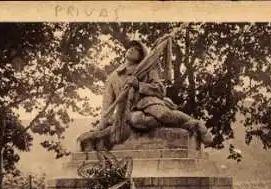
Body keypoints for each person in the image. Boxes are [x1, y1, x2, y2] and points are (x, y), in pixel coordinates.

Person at [78, 40, 213, 150]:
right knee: (137, 120)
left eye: (136, 49)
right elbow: (107, 105)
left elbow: (160, 90)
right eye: (130, 47)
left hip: (149, 102)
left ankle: (196, 124)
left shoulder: (148, 69)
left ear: (141, 55)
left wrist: (139, 85)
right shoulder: (113, 77)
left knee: (163, 115)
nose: (131, 49)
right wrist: (101, 125)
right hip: (128, 111)